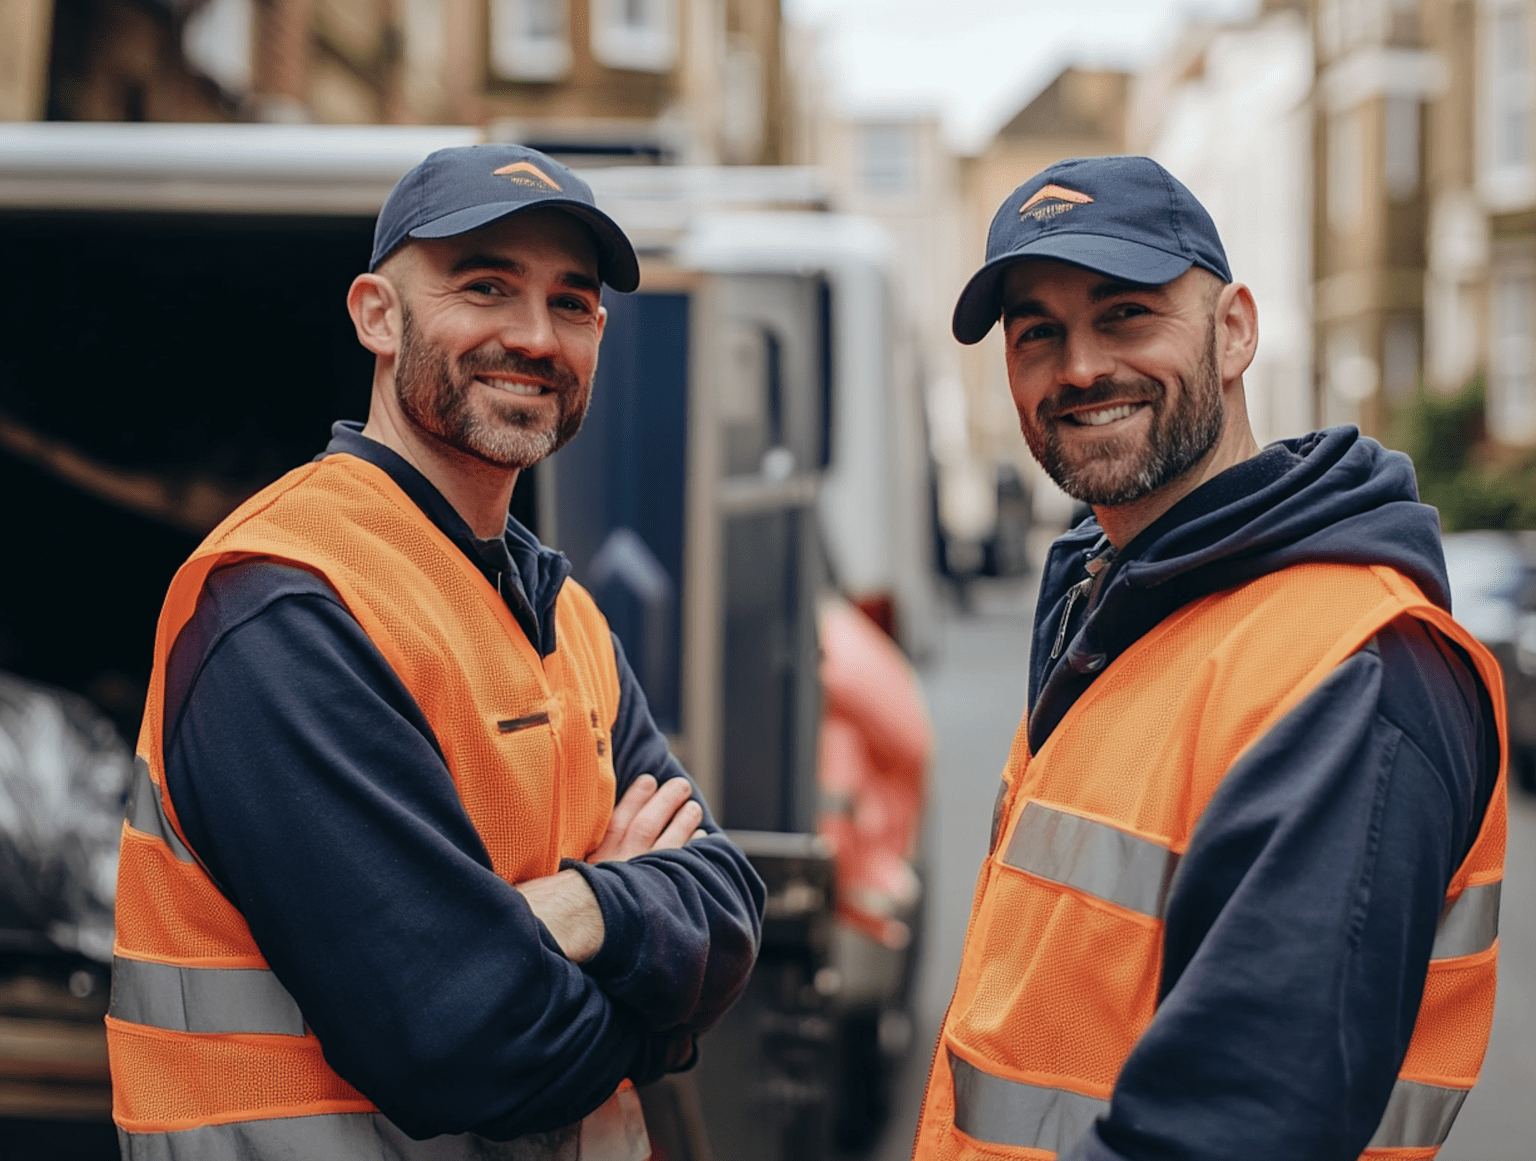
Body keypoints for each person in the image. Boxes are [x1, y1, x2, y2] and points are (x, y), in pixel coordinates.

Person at [106, 143, 765, 1160]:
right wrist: (657, 1014)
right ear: (377, 313)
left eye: (573, 301)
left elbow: (730, 907)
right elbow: (464, 1041)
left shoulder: (563, 612)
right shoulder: (284, 602)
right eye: (486, 286)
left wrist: (583, 904)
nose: (535, 336)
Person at [912, 155, 1507, 1161]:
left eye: (1126, 314)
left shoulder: (1348, 666)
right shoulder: (1123, 604)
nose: (1080, 367)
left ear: (1234, 330)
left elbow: (1234, 1127)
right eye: (1038, 333)